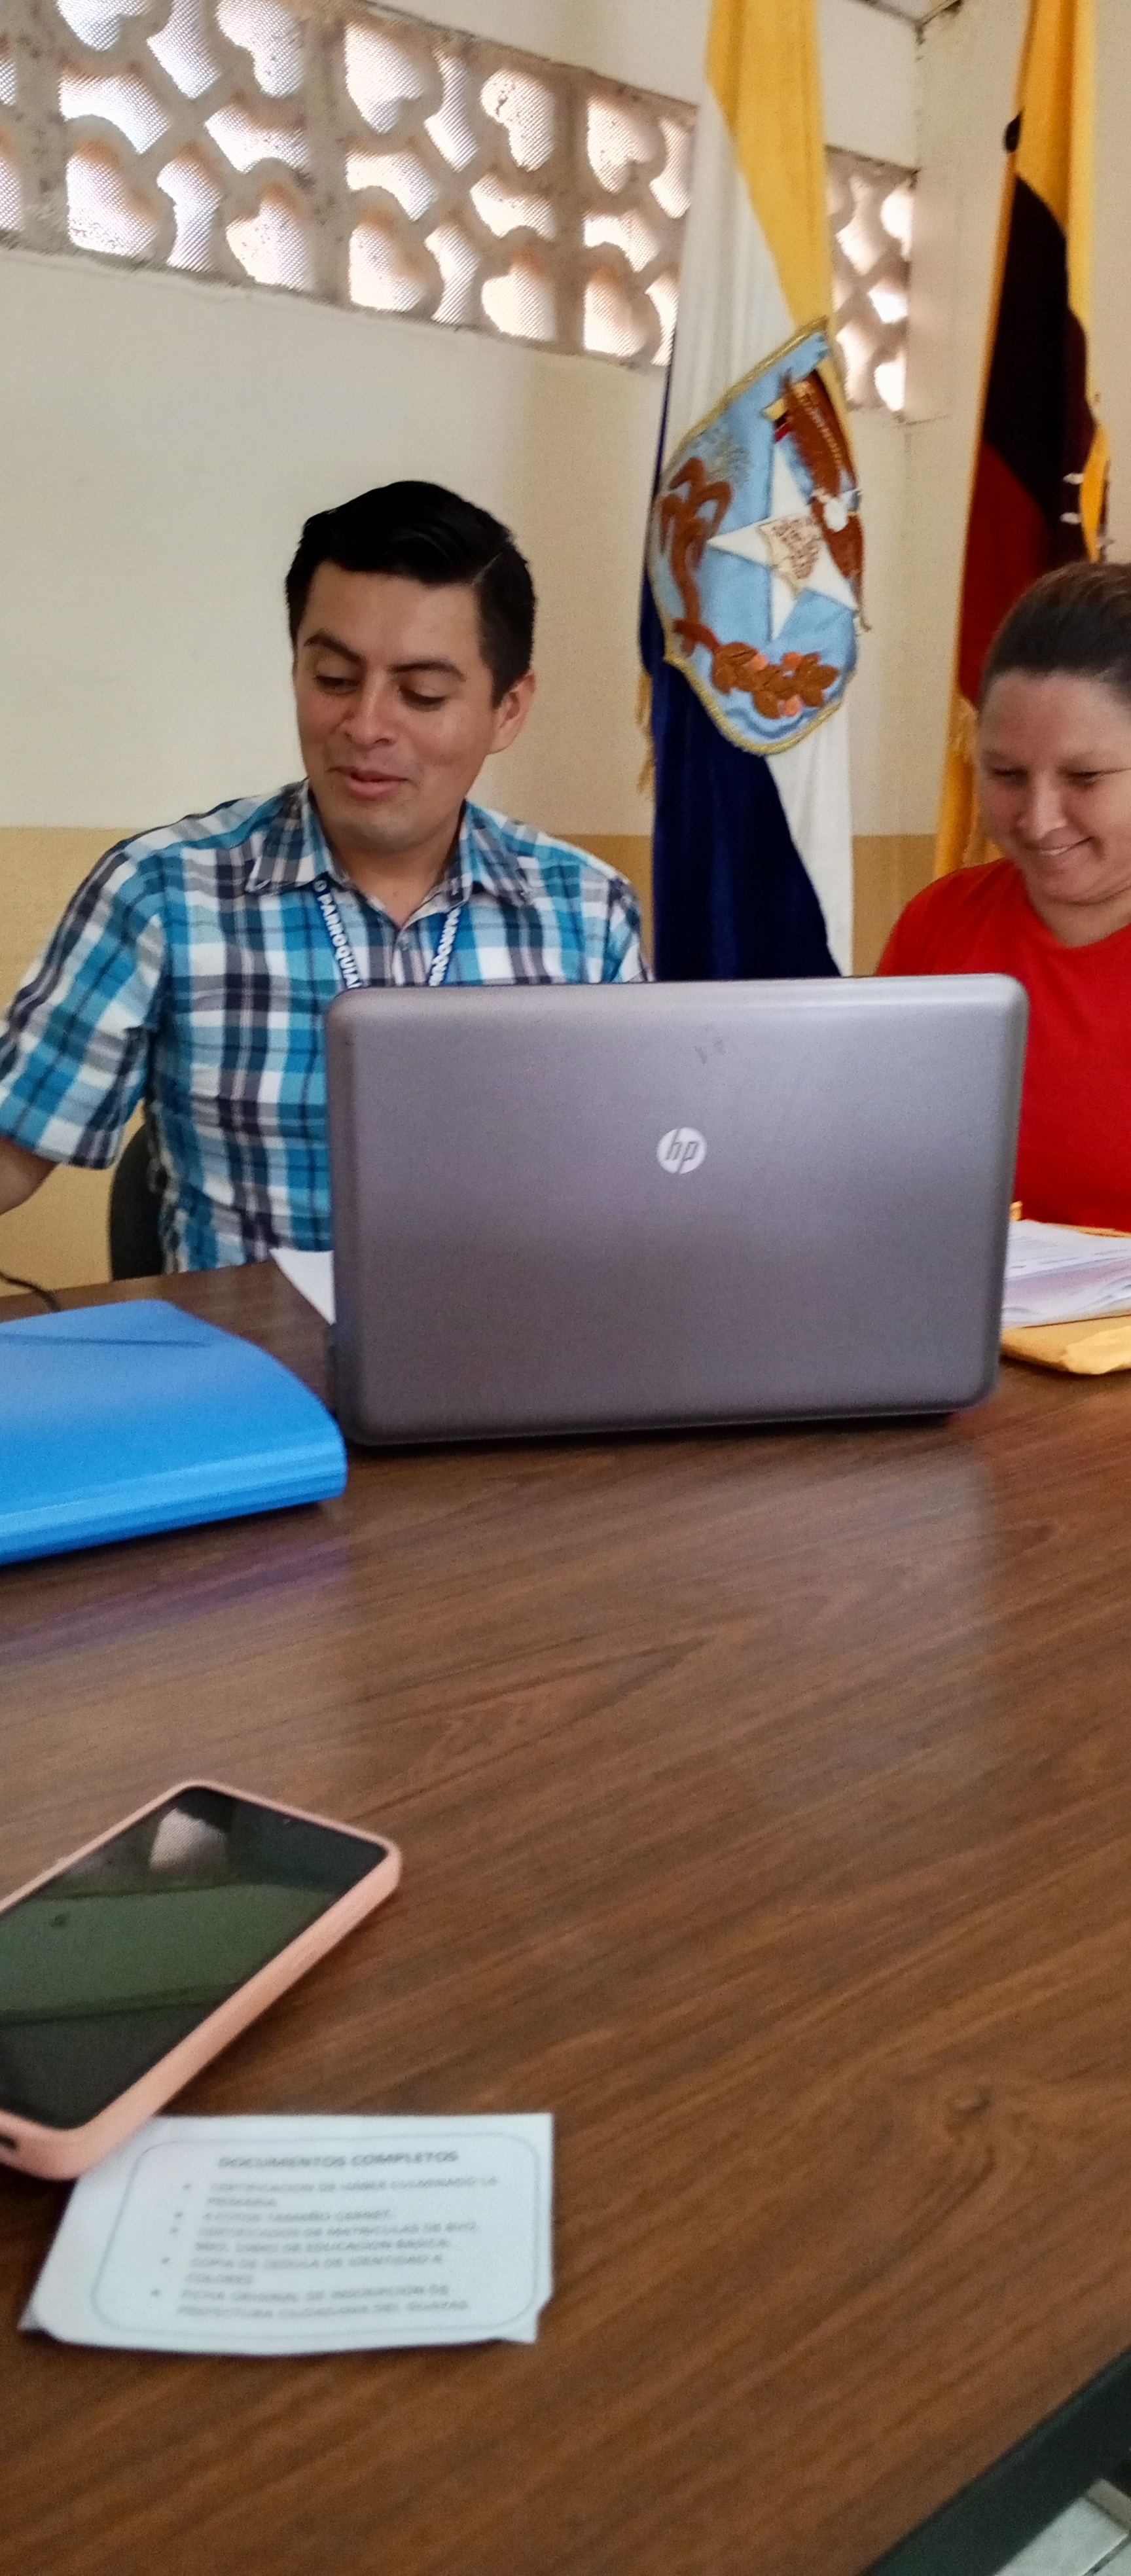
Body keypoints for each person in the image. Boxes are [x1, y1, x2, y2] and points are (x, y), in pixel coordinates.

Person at [0, 481, 649, 1272]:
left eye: (422, 694)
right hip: (243, 1346)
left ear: (508, 710)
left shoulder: (586, 912)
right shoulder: (164, 894)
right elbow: (12, 1147)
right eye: (334, 679)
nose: (365, 726)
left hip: (508, 1339)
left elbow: (645, 1180)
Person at [878, 562, 1131, 1230]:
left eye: (1084, 778)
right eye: (1007, 774)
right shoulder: (939, 925)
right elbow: (872, 1165)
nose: (1039, 820)